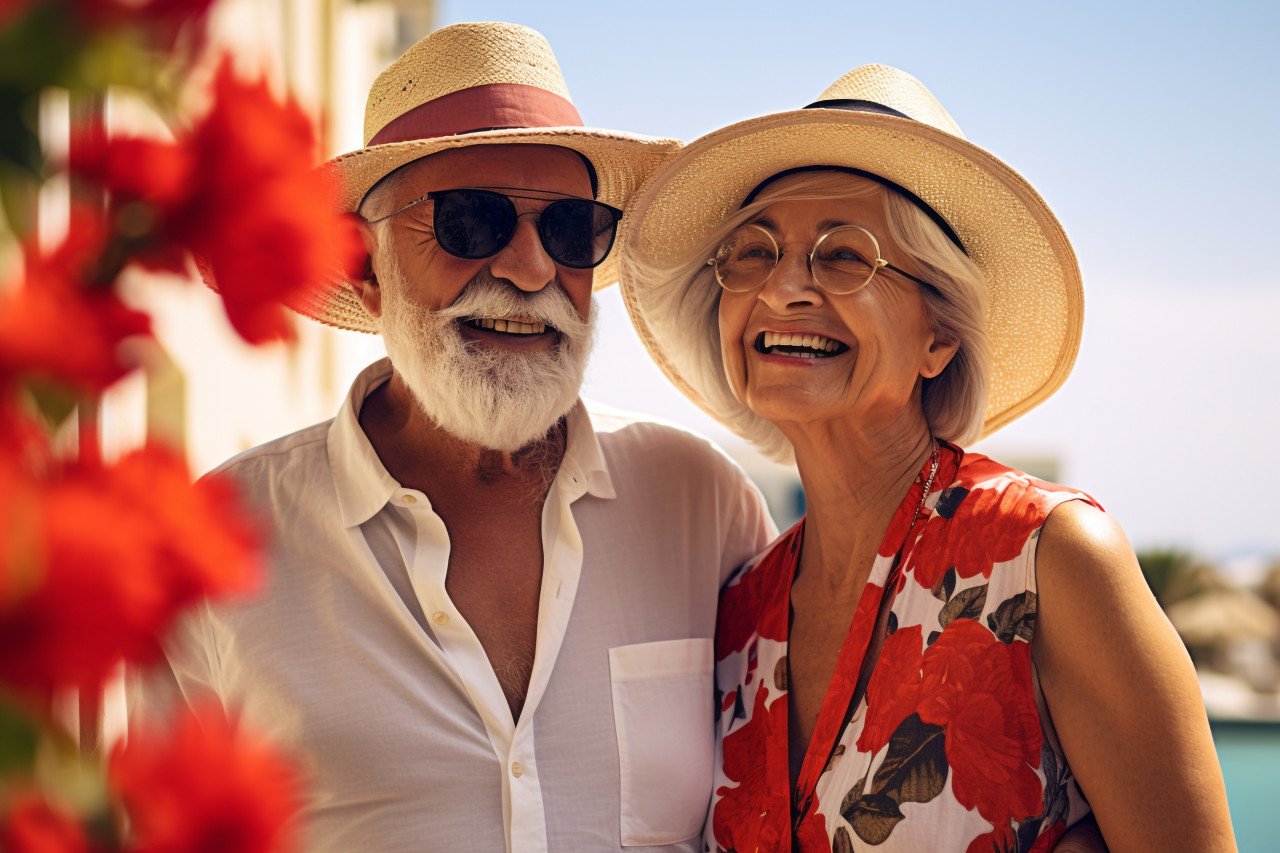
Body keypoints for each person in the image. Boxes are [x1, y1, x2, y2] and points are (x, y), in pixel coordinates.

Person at [131, 22, 776, 852]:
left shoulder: (701, 503)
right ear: (364, 267)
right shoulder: (220, 539)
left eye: (571, 229)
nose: (531, 269)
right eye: (471, 221)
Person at [617, 64, 1236, 852]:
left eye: (844, 256)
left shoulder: (1051, 559)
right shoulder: (738, 613)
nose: (783, 290)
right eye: (753, 252)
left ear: (938, 336)